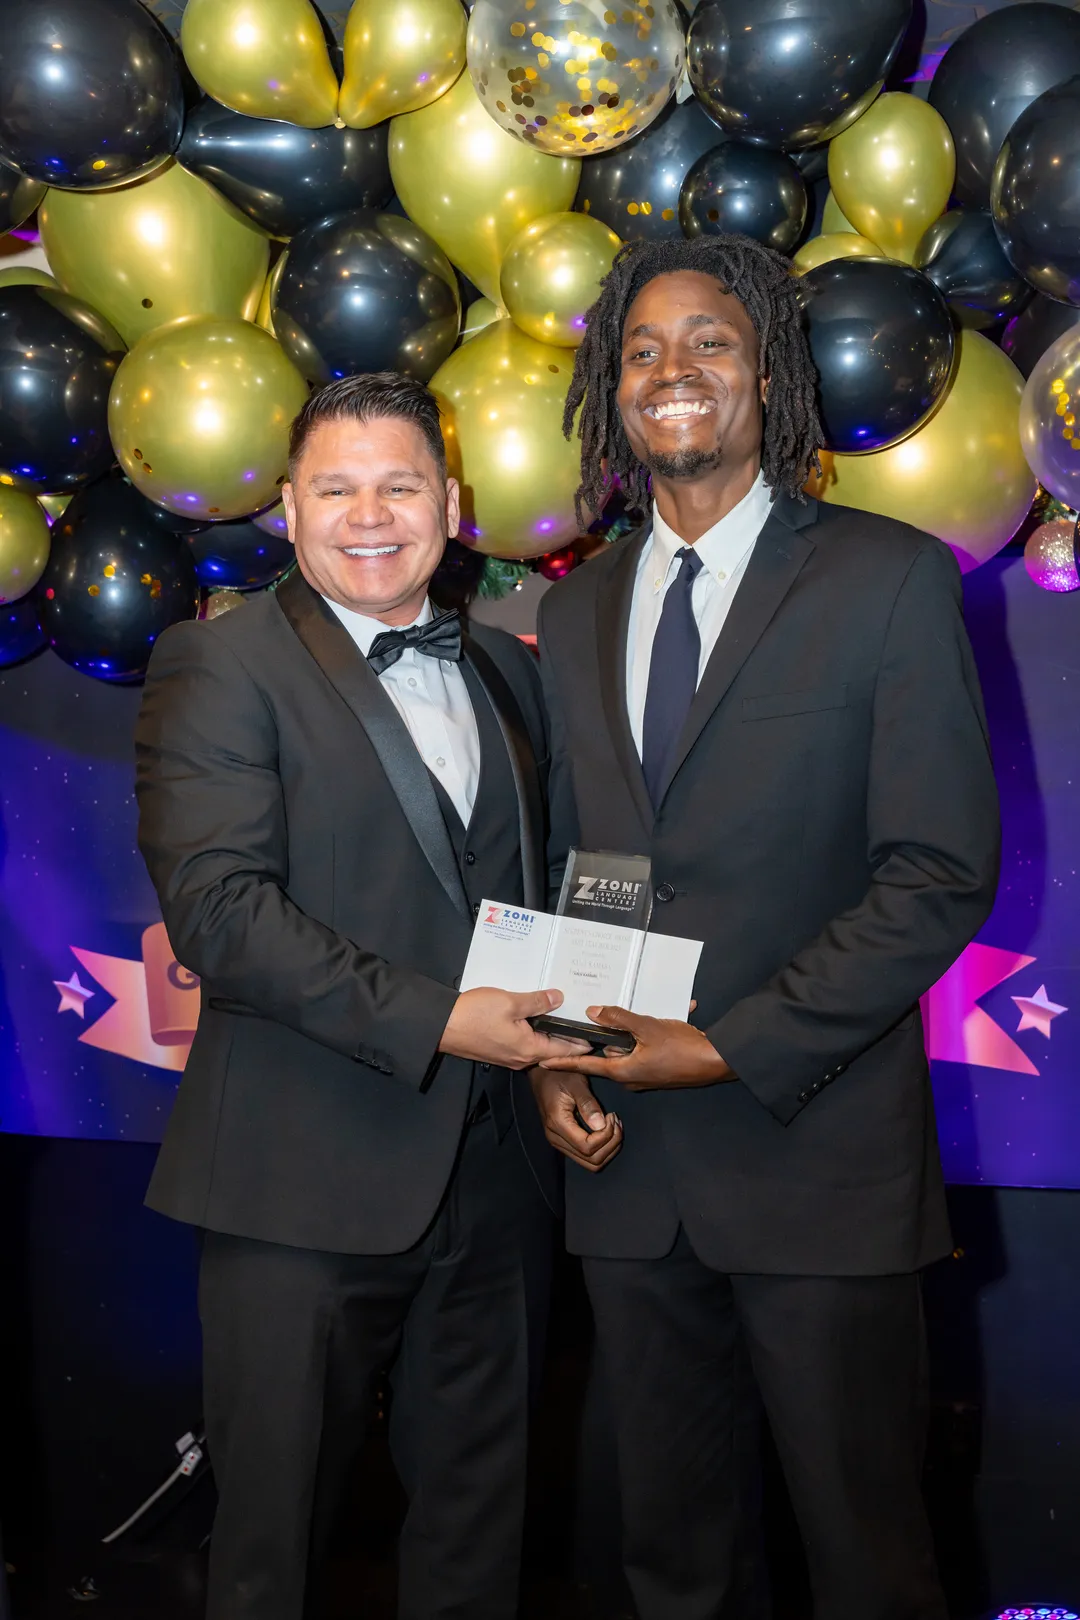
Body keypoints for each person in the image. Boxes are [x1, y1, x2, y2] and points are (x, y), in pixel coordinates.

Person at [532, 236, 1001, 1620]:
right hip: (630, 1171)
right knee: (672, 1564)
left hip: (820, 1164)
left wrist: (728, 1048)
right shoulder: (572, 611)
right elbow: (588, 869)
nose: (672, 372)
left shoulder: (888, 580)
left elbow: (936, 871)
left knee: (867, 1560)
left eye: (711, 343)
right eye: (640, 350)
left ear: (771, 373)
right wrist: (562, 1049)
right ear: (612, 389)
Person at [135, 372, 585, 1620]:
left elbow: (521, 901)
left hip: (498, 1180)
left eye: (400, 484)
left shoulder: (509, 671)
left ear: (454, 502)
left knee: (476, 1540)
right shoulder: (217, 664)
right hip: (297, 1178)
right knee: (274, 1549)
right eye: (336, 487)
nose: (370, 513)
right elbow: (220, 915)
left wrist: (553, 1056)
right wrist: (446, 1021)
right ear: (287, 507)